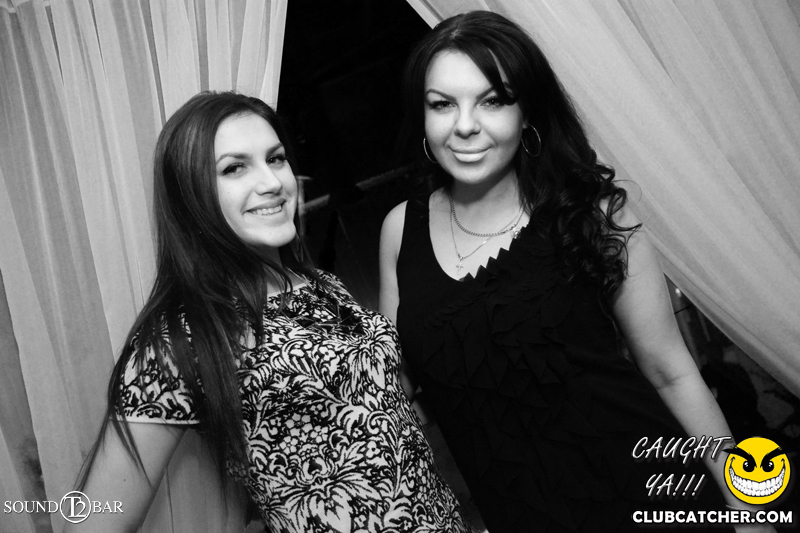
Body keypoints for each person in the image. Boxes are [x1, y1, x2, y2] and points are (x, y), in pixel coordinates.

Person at [380, 11, 773, 533]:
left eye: (493, 100)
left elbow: (672, 372)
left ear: (527, 113)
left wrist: (749, 512)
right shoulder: (400, 232)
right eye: (442, 104)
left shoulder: (593, 212)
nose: (465, 125)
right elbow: (396, 395)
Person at [66, 91, 472, 532]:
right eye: (234, 168)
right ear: (190, 196)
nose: (272, 182)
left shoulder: (320, 284)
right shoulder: (180, 338)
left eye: (275, 159)